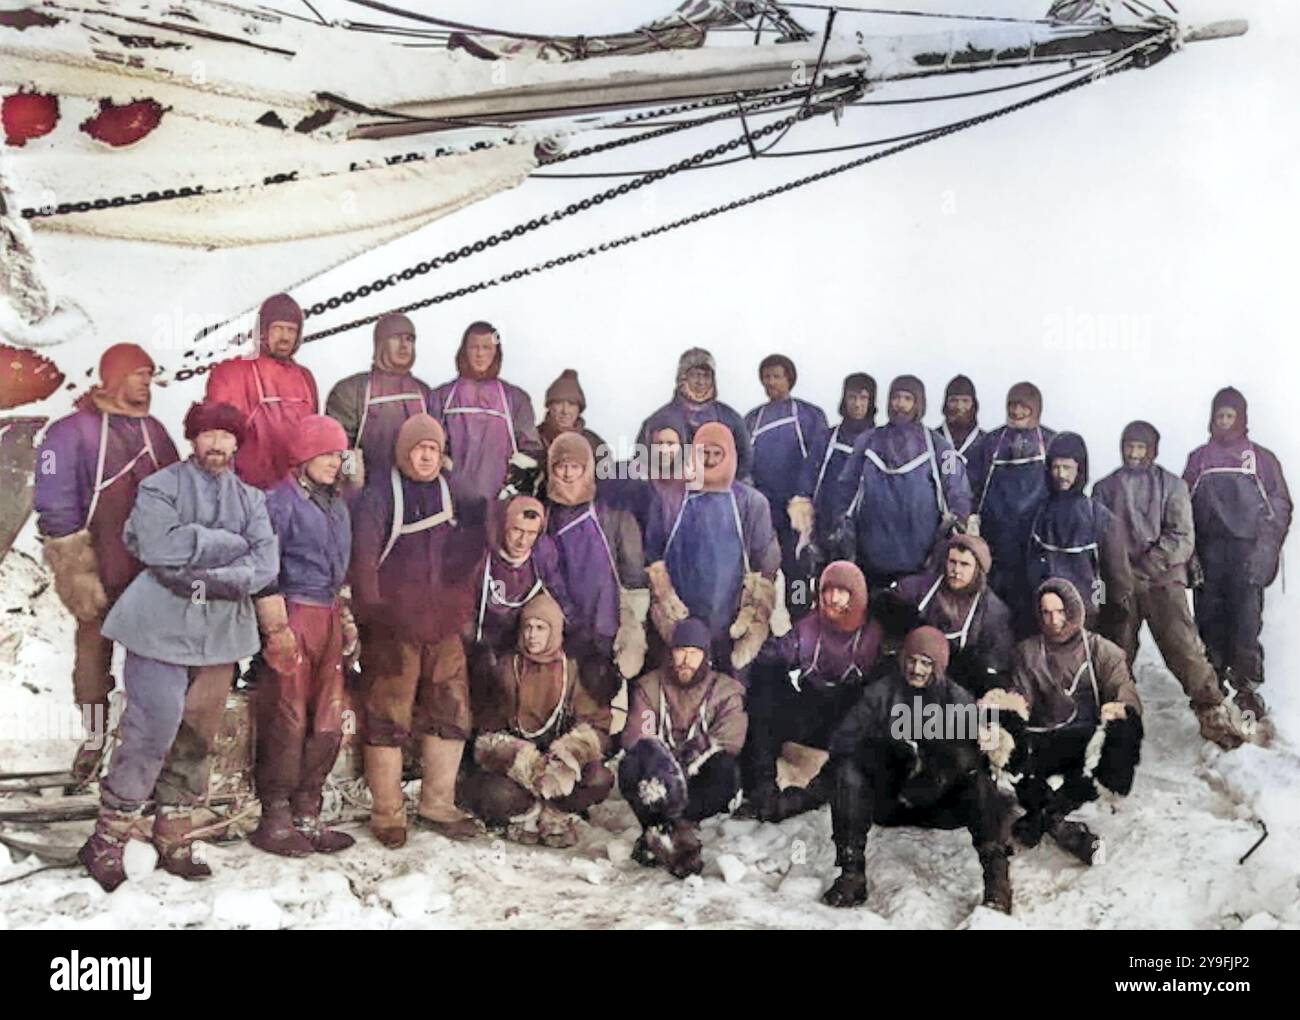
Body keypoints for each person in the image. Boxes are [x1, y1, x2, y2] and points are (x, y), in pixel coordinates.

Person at [77, 402, 278, 892]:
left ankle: (174, 834)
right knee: (152, 728)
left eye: (226, 437)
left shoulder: (252, 500)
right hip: (159, 626)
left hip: (220, 633)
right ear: (193, 439)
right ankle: (108, 838)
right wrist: (229, 546)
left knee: (197, 733)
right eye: (207, 435)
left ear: (237, 443)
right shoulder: (159, 486)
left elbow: (266, 564)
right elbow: (157, 550)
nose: (217, 444)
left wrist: (203, 566)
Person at [35, 343, 179, 784]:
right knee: (93, 666)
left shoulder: (155, 432)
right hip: (99, 568)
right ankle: (96, 738)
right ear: (114, 377)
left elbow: (177, 489)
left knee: (149, 668)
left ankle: (137, 753)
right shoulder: (70, 433)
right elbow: (54, 502)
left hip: (148, 574)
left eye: (149, 374)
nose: (145, 381)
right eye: (136, 373)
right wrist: (76, 571)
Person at [350, 414, 488, 846]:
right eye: (418, 449)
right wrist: (371, 619)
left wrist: (460, 604)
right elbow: (364, 559)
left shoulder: (451, 491)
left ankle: (437, 802)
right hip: (394, 626)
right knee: (388, 715)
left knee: (451, 710)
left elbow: (479, 520)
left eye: (433, 449)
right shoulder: (379, 497)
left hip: (442, 624)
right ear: (403, 451)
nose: (426, 456)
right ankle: (388, 811)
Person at [821, 626, 1014, 913]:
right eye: (911, 660)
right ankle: (851, 874)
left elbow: (977, 758)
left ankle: (997, 881)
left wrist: (943, 763)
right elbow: (842, 741)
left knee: (978, 780)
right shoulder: (880, 694)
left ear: (939, 667)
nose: (916, 669)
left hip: (940, 801)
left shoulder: (957, 699)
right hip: (892, 801)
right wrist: (885, 747)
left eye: (926, 663)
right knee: (848, 770)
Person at [1093, 421, 1251, 749]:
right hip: (1120, 583)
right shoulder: (1105, 488)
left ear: (1153, 450)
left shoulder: (1172, 486)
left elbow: (1182, 537)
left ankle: (1212, 710)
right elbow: (1101, 537)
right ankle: (1116, 714)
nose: (1134, 454)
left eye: (1141, 448)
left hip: (1164, 581)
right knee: (1115, 650)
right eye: (1129, 447)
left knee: (1184, 649)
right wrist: (1119, 575)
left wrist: (1148, 566)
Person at [251, 415, 355, 857]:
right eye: (326, 453)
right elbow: (262, 568)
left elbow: (342, 569)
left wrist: (346, 618)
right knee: (288, 718)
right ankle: (274, 816)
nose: (335, 462)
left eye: (339, 454)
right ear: (303, 455)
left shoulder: (338, 504)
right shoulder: (279, 503)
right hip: (294, 614)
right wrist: (275, 628)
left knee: (328, 719)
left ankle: (307, 811)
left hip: (328, 615)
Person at [991, 578, 1144, 865]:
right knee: (1010, 749)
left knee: (1121, 740)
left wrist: (1119, 707)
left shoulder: (1101, 651)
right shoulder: (1028, 652)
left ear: (1073, 610)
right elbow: (1019, 697)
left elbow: (1124, 689)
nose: (1054, 620)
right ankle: (1056, 821)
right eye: (1046, 613)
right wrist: (1009, 713)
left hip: (1086, 740)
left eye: (1060, 611)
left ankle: (1045, 818)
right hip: (1046, 737)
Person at [466, 593, 614, 847]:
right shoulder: (505, 668)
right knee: (493, 793)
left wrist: (569, 756)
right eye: (528, 628)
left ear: (555, 631)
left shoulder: (572, 669)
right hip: (518, 769)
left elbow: (596, 725)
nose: (532, 635)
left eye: (541, 628)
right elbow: (487, 732)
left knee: (600, 778)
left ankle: (557, 812)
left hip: (561, 766)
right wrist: (524, 762)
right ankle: (528, 814)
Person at [1182, 387, 1292, 726]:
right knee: (1209, 621)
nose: (1224, 422)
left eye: (1230, 416)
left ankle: (1245, 689)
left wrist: (1266, 550)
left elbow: (1280, 505)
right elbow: (1181, 509)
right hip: (1210, 552)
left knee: (1246, 622)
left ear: (1241, 419)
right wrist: (1190, 555)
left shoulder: (1260, 459)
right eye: (1219, 416)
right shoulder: (1199, 459)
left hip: (1247, 551)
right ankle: (1210, 688)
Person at [741, 561, 883, 822]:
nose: (832, 598)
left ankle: (802, 798)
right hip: (811, 710)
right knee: (765, 689)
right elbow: (773, 655)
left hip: (848, 718)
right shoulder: (808, 628)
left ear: (857, 596)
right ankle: (761, 786)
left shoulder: (873, 636)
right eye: (828, 590)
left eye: (842, 592)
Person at [645, 422, 780, 676]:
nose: (709, 460)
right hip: (682, 619)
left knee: (730, 693)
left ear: (730, 455)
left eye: (717, 454)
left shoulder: (751, 503)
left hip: (733, 619)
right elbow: (653, 556)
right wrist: (665, 604)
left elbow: (766, 564)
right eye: (704, 453)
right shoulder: (670, 499)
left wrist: (754, 614)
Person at [619, 618, 748, 879]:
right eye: (680, 651)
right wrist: (665, 766)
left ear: (706, 656)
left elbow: (729, 738)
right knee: (630, 764)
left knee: (725, 768)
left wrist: (689, 758)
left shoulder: (725, 690)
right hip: (658, 778)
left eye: (694, 653)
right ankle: (666, 831)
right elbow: (638, 737)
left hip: (698, 777)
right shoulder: (650, 686)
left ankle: (674, 827)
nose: (686, 660)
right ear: (670, 653)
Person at [830, 375, 971, 590]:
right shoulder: (866, 442)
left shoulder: (941, 447)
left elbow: (957, 490)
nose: (901, 405)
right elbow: (846, 486)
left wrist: (955, 527)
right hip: (870, 560)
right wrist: (842, 530)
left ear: (919, 404)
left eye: (908, 398)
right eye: (896, 397)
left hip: (921, 563)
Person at [544, 432, 648, 706]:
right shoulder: (544, 517)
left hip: (607, 621)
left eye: (575, 467)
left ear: (587, 469)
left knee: (605, 697)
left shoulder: (610, 516)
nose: (567, 474)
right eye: (561, 466)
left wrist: (631, 619)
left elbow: (634, 572)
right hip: (563, 624)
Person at [966, 382, 1057, 631]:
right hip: (995, 543)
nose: (1016, 411)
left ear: (1036, 409)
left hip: (1035, 545)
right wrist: (969, 519)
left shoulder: (1051, 442)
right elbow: (968, 484)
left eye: (1023, 406)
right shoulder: (990, 442)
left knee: (1032, 610)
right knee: (994, 612)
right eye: (1012, 405)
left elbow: (1065, 486)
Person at [744, 354, 829, 617]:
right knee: (761, 576)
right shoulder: (752, 420)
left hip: (797, 513)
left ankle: (801, 622)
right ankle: (759, 633)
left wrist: (805, 499)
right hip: (765, 513)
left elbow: (819, 461)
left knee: (798, 575)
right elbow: (743, 464)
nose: (771, 382)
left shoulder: (809, 415)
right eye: (766, 377)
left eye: (777, 376)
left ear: (789, 378)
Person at [205, 293, 319, 490]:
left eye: (291, 330)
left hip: (297, 496)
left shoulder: (305, 378)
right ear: (262, 330)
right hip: (247, 494)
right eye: (277, 329)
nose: (284, 337)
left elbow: (320, 439)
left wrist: (347, 475)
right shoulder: (233, 373)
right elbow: (213, 440)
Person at [1024, 432, 1133, 634]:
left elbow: (1111, 575)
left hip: (1088, 612)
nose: (1061, 475)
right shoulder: (1038, 514)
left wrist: (1103, 609)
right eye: (1056, 467)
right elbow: (1032, 565)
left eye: (1068, 468)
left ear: (1080, 470)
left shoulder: (1099, 517)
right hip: (1048, 613)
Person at [426, 320, 544, 504]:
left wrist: (513, 485)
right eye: (474, 347)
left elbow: (530, 451)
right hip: (450, 502)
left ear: (496, 352)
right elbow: (429, 446)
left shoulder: (515, 399)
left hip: (500, 503)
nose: (480, 354)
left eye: (487, 348)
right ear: (464, 350)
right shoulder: (441, 396)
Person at [468, 494, 576, 684]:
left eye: (531, 533)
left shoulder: (542, 558)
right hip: (480, 643)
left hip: (522, 643)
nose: (523, 541)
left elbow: (558, 596)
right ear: (503, 527)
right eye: (516, 530)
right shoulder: (481, 556)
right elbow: (462, 605)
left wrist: (573, 629)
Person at [894, 533, 1013, 697]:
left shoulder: (993, 613)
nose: (956, 570)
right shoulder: (915, 590)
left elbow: (993, 666)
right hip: (910, 677)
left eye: (964, 565)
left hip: (956, 690)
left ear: (978, 569)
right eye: (952, 562)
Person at [324, 312, 432, 490]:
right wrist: (350, 484)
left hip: (413, 495)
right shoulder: (351, 391)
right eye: (396, 338)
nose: (404, 346)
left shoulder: (424, 392)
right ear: (380, 343)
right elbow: (341, 448)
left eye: (409, 339)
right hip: (366, 495)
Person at [637, 347, 753, 481]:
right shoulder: (658, 420)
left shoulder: (729, 418)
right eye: (695, 375)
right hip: (673, 495)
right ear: (682, 376)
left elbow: (745, 460)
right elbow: (642, 465)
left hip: (719, 495)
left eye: (706, 376)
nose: (701, 382)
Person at [792, 372, 877, 553]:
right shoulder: (827, 438)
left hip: (868, 531)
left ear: (871, 402)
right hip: (826, 529)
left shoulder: (880, 441)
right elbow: (807, 480)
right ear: (844, 400)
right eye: (852, 397)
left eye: (863, 398)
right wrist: (804, 524)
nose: (857, 404)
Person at [934, 374, 984, 465]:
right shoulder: (931, 440)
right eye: (953, 400)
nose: (959, 407)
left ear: (974, 405)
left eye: (965, 401)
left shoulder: (987, 442)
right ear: (945, 404)